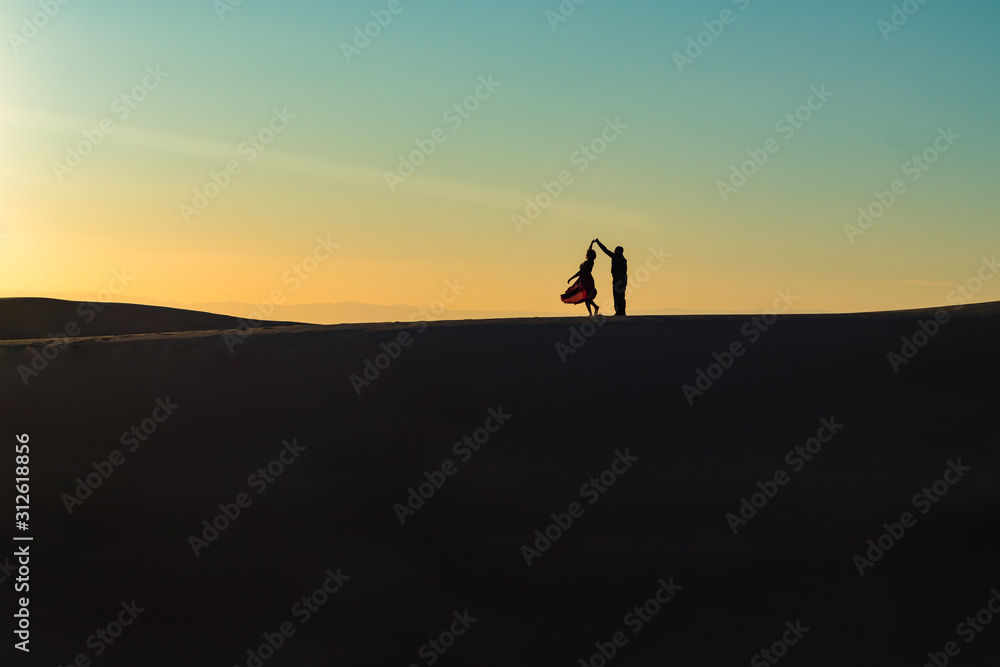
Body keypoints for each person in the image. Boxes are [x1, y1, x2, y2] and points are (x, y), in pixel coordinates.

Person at [561, 244, 600, 316]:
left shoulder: (587, 262)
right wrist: (591, 244)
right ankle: (592, 311)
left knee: (586, 296)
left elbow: (580, 272)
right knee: (586, 296)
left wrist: (571, 278)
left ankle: (594, 308)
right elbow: (590, 251)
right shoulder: (591, 262)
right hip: (587, 279)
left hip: (586, 280)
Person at [594, 238, 627, 316]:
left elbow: (605, 250)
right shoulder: (624, 259)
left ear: (619, 251)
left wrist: (598, 242)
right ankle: (622, 311)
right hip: (623, 278)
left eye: (615, 250)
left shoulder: (616, 256)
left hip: (618, 279)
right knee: (621, 295)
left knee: (617, 295)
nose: (614, 251)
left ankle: (619, 311)